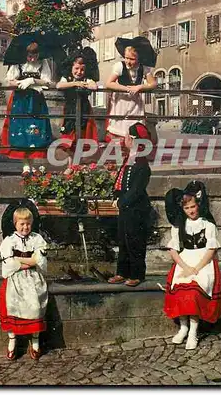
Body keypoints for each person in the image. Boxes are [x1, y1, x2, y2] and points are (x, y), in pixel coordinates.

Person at [163, 181, 221, 350]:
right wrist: (185, 266)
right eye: (187, 208)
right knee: (181, 289)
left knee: (193, 293)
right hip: (185, 260)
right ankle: (183, 327)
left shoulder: (208, 224)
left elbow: (211, 249)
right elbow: (174, 250)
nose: (191, 211)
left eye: (193, 206)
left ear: (198, 205)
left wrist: (197, 267)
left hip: (203, 260)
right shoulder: (178, 226)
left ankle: (193, 332)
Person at [0, 201, 48, 360]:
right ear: (15, 224)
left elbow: (39, 260)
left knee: (35, 305)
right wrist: (29, 260)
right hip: (15, 279)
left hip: (33, 278)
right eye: (22, 224)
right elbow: (9, 263)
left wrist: (19, 259)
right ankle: (12, 342)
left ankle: (35, 341)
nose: (25, 227)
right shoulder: (9, 241)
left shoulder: (37, 239)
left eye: (28, 224)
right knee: (12, 305)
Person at [108, 123, 152, 287]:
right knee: (123, 240)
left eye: (127, 136)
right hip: (125, 208)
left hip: (136, 209)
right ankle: (122, 272)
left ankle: (137, 274)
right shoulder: (129, 159)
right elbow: (121, 182)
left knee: (135, 241)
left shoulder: (142, 164)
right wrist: (116, 196)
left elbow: (136, 190)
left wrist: (122, 201)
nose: (124, 139)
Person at [0, 42, 53, 174]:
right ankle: (25, 165)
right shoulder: (18, 63)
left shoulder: (43, 63)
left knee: (36, 129)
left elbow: (47, 81)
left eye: (35, 56)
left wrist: (32, 80)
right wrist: (19, 82)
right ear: (25, 54)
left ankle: (34, 164)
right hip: (20, 100)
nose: (32, 59)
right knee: (21, 129)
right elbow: (10, 80)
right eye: (29, 56)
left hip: (36, 100)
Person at [105, 36, 157, 147]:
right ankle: (120, 157)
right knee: (119, 130)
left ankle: (132, 158)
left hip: (135, 105)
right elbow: (109, 83)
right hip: (121, 103)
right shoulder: (120, 66)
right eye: (126, 58)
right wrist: (126, 88)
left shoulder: (143, 68)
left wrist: (140, 87)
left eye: (132, 59)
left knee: (133, 131)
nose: (128, 61)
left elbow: (153, 84)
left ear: (138, 58)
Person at [56, 52, 98, 173]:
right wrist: (75, 83)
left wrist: (86, 84)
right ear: (71, 67)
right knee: (68, 138)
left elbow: (94, 86)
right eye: (76, 68)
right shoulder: (67, 78)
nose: (79, 72)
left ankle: (73, 166)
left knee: (82, 137)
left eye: (82, 69)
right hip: (70, 110)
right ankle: (73, 165)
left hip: (84, 110)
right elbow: (59, 85)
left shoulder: (87, 79)